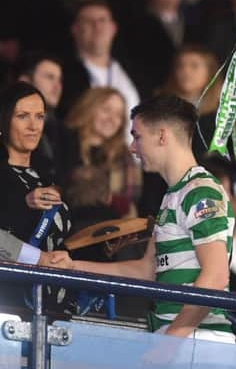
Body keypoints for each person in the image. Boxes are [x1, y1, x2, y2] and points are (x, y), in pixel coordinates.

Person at [69, 94, 236, 342]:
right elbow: (146, 270)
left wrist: (171, 341)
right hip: (182, 341)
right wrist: (70, 266)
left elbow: (216, 276)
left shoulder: (200, 191)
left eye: (137, 136)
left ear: (162, 135)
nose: (132, 147)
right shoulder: (175, 194)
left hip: (198, 343)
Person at [0, 82, 73, 311]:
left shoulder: (47, 175)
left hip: (52, 303)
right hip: (8, 304)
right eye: (22, 116)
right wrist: (39, 259)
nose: (33, 126)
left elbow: (58, 242)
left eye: (40, 117)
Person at [64, 88, 142, 218]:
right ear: (89, 107)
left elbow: (129, 203)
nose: (112, 119)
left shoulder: (123, 156)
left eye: (118, 115)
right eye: (106, 110)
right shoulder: (64, 141)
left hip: (110, 230)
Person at [15, 52, 79, 185]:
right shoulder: (5, 126)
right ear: (25, 81)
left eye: (59, 80)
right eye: (49, 77)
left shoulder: (66, 134)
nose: (57, 86)